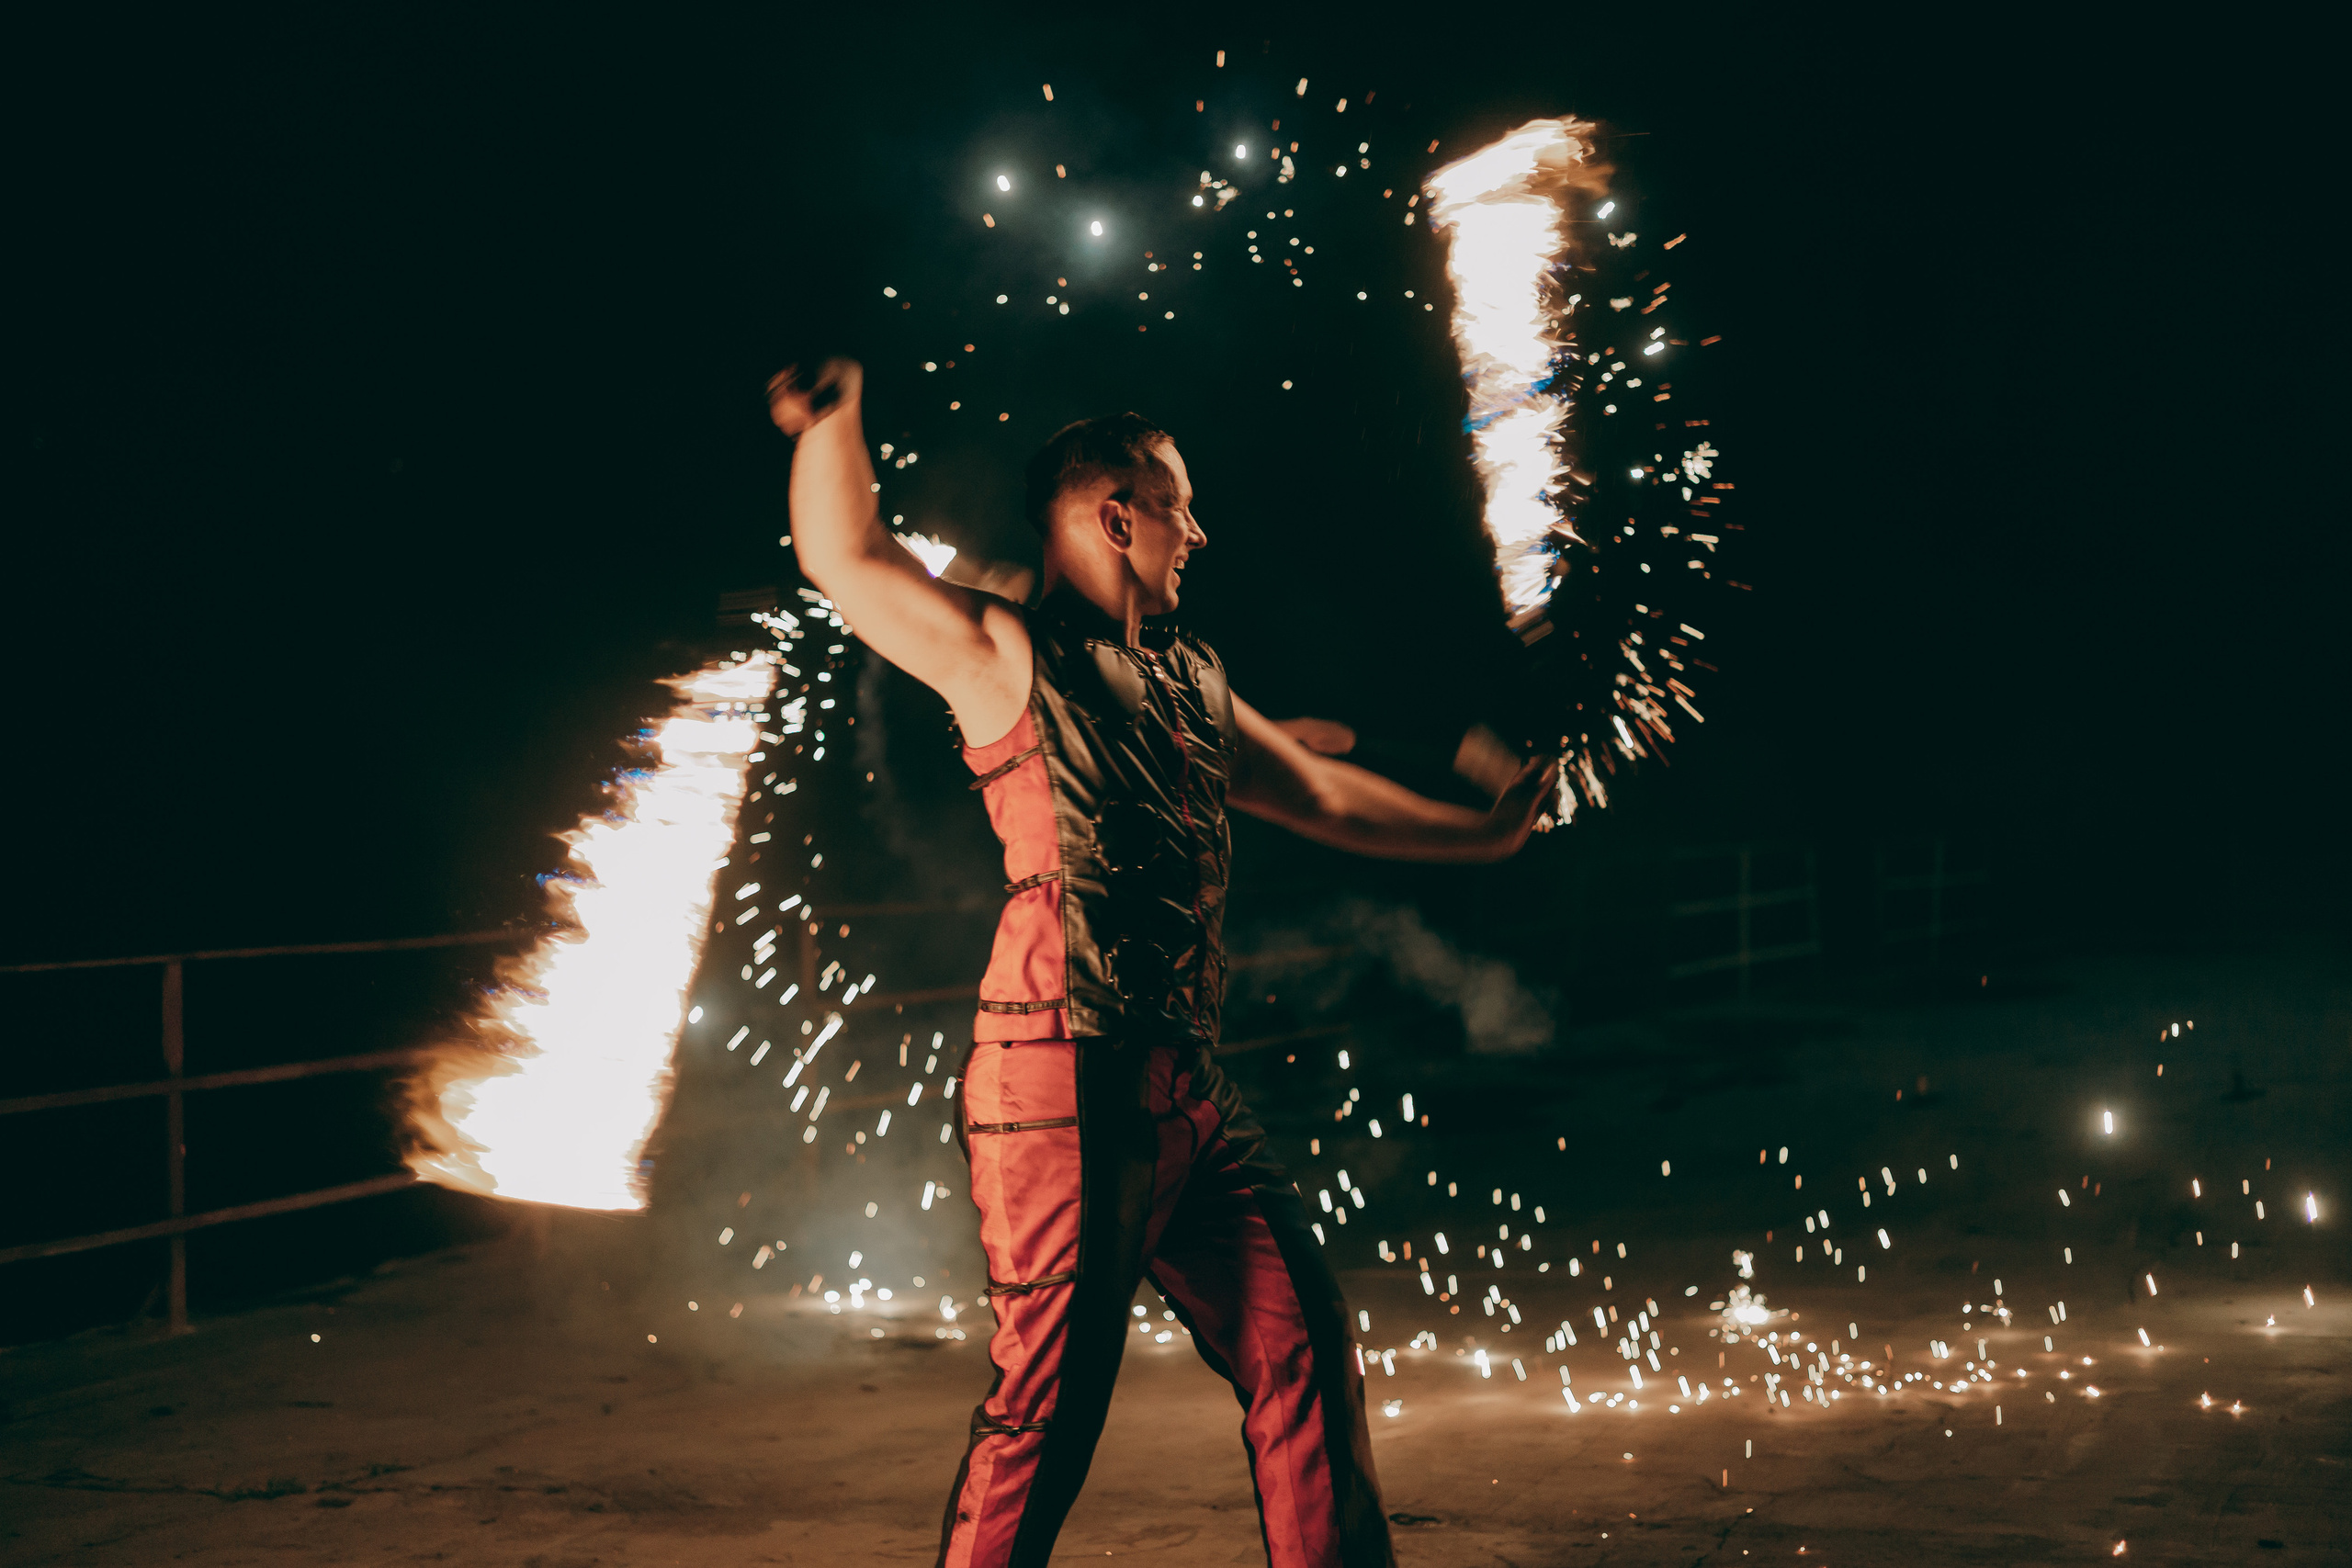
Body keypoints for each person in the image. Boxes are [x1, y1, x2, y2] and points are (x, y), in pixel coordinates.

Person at [767, 358, 1554, 1568]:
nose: (1198, 527)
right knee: (1051, 1410)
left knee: (1300, 1338)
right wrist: (832, 425)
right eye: (1176, 502)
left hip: (1182, 1088)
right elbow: (847, 557)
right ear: (1114, 513)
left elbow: (1323, 793)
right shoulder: (1003, 654)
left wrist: (1488, 835)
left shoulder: (1191, 679)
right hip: (1059, 1082)